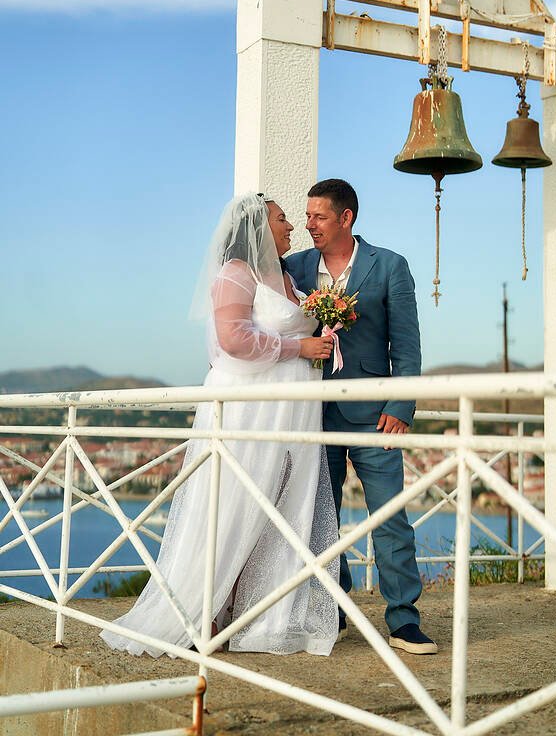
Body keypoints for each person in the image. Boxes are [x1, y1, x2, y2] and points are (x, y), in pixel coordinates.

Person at [101, 192, 338, 657]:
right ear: (256, 230)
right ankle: (201, 611)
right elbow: (233, 340)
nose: (290, 226)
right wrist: (301, 349)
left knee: (280, 508)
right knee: (232, 503)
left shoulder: (287, 277)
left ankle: (259, 616)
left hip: (291, 410)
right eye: (281, 219)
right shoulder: (236, 274)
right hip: (249, 407)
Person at [287, 179, 437, 654]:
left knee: (389, 517)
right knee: (320, 518)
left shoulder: (390, 266)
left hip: (374, 414)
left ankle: (404, 619)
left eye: (318, 217)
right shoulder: (294, 268)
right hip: (312, 411)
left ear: (346, 218)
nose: (309, 225)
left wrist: (401, 405)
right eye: (307, 216)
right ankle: (334, 608)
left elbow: (406, 345)